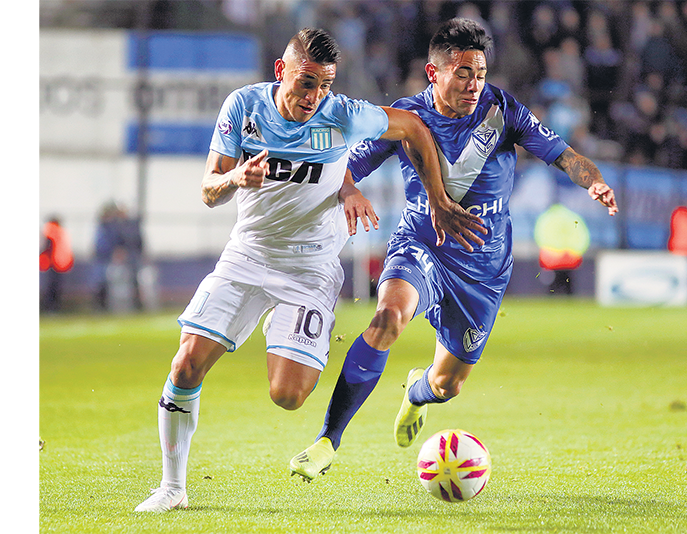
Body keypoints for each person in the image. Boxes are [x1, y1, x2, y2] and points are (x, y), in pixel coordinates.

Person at [134, 27, 480, 513]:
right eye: (306, 83)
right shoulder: (243, 108)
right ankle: (173, 487)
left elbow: (414, 129)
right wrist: (237, 176)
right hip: (248, 255)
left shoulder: (342, 115)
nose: (315, 96)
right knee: (185, 363)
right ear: (282, 73)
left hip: (311, 269)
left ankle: (286, 324)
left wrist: (436, 199)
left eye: (325, 85)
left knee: (289, 396)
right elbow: (210, 188)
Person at [289, 18, 619, 481]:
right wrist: (347, 191)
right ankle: (328, 440)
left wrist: (595, 180)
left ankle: (417, 393)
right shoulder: (405, 117)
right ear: (434, 72)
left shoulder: (504, 112)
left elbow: (563, 155)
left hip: (484, 270)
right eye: (463, 73)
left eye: (480, 73)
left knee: (447, 386)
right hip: (421, 246)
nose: (473, 84)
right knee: (387, 319)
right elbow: (346, 164)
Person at [38, 215, 73, 312]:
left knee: (52, 287)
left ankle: (51, 307)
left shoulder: (51, 231)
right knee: (53, 287)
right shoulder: (57, 231)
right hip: (56, 263)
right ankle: (51, 307)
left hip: (54, 263)